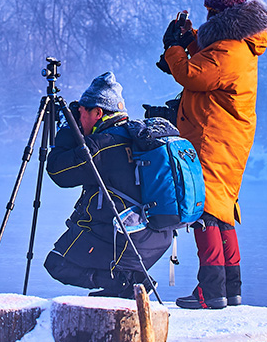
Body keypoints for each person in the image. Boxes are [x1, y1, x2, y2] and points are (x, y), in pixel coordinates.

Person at [161, 0, 267, 309]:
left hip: (213, 140)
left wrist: (175, 48)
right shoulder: (238, 46)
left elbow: (192, 74)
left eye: (210, 14)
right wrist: (190, 38)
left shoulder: (228, 52)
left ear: (222, 15)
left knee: (205, 210)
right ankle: (230, 288)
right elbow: (208, 55)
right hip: (227, 138)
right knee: (222, 212)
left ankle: (210, 292)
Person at [43, 72, 175, 297]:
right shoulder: (137, 135)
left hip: (127, 240)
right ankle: (126, 280)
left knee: (57, 263)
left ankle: (126, 283)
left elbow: (57, 171)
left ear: (98, 112)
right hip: (157, 236)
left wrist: (67, 128)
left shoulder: (101, 146)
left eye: (82, 113)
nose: (79, 118)